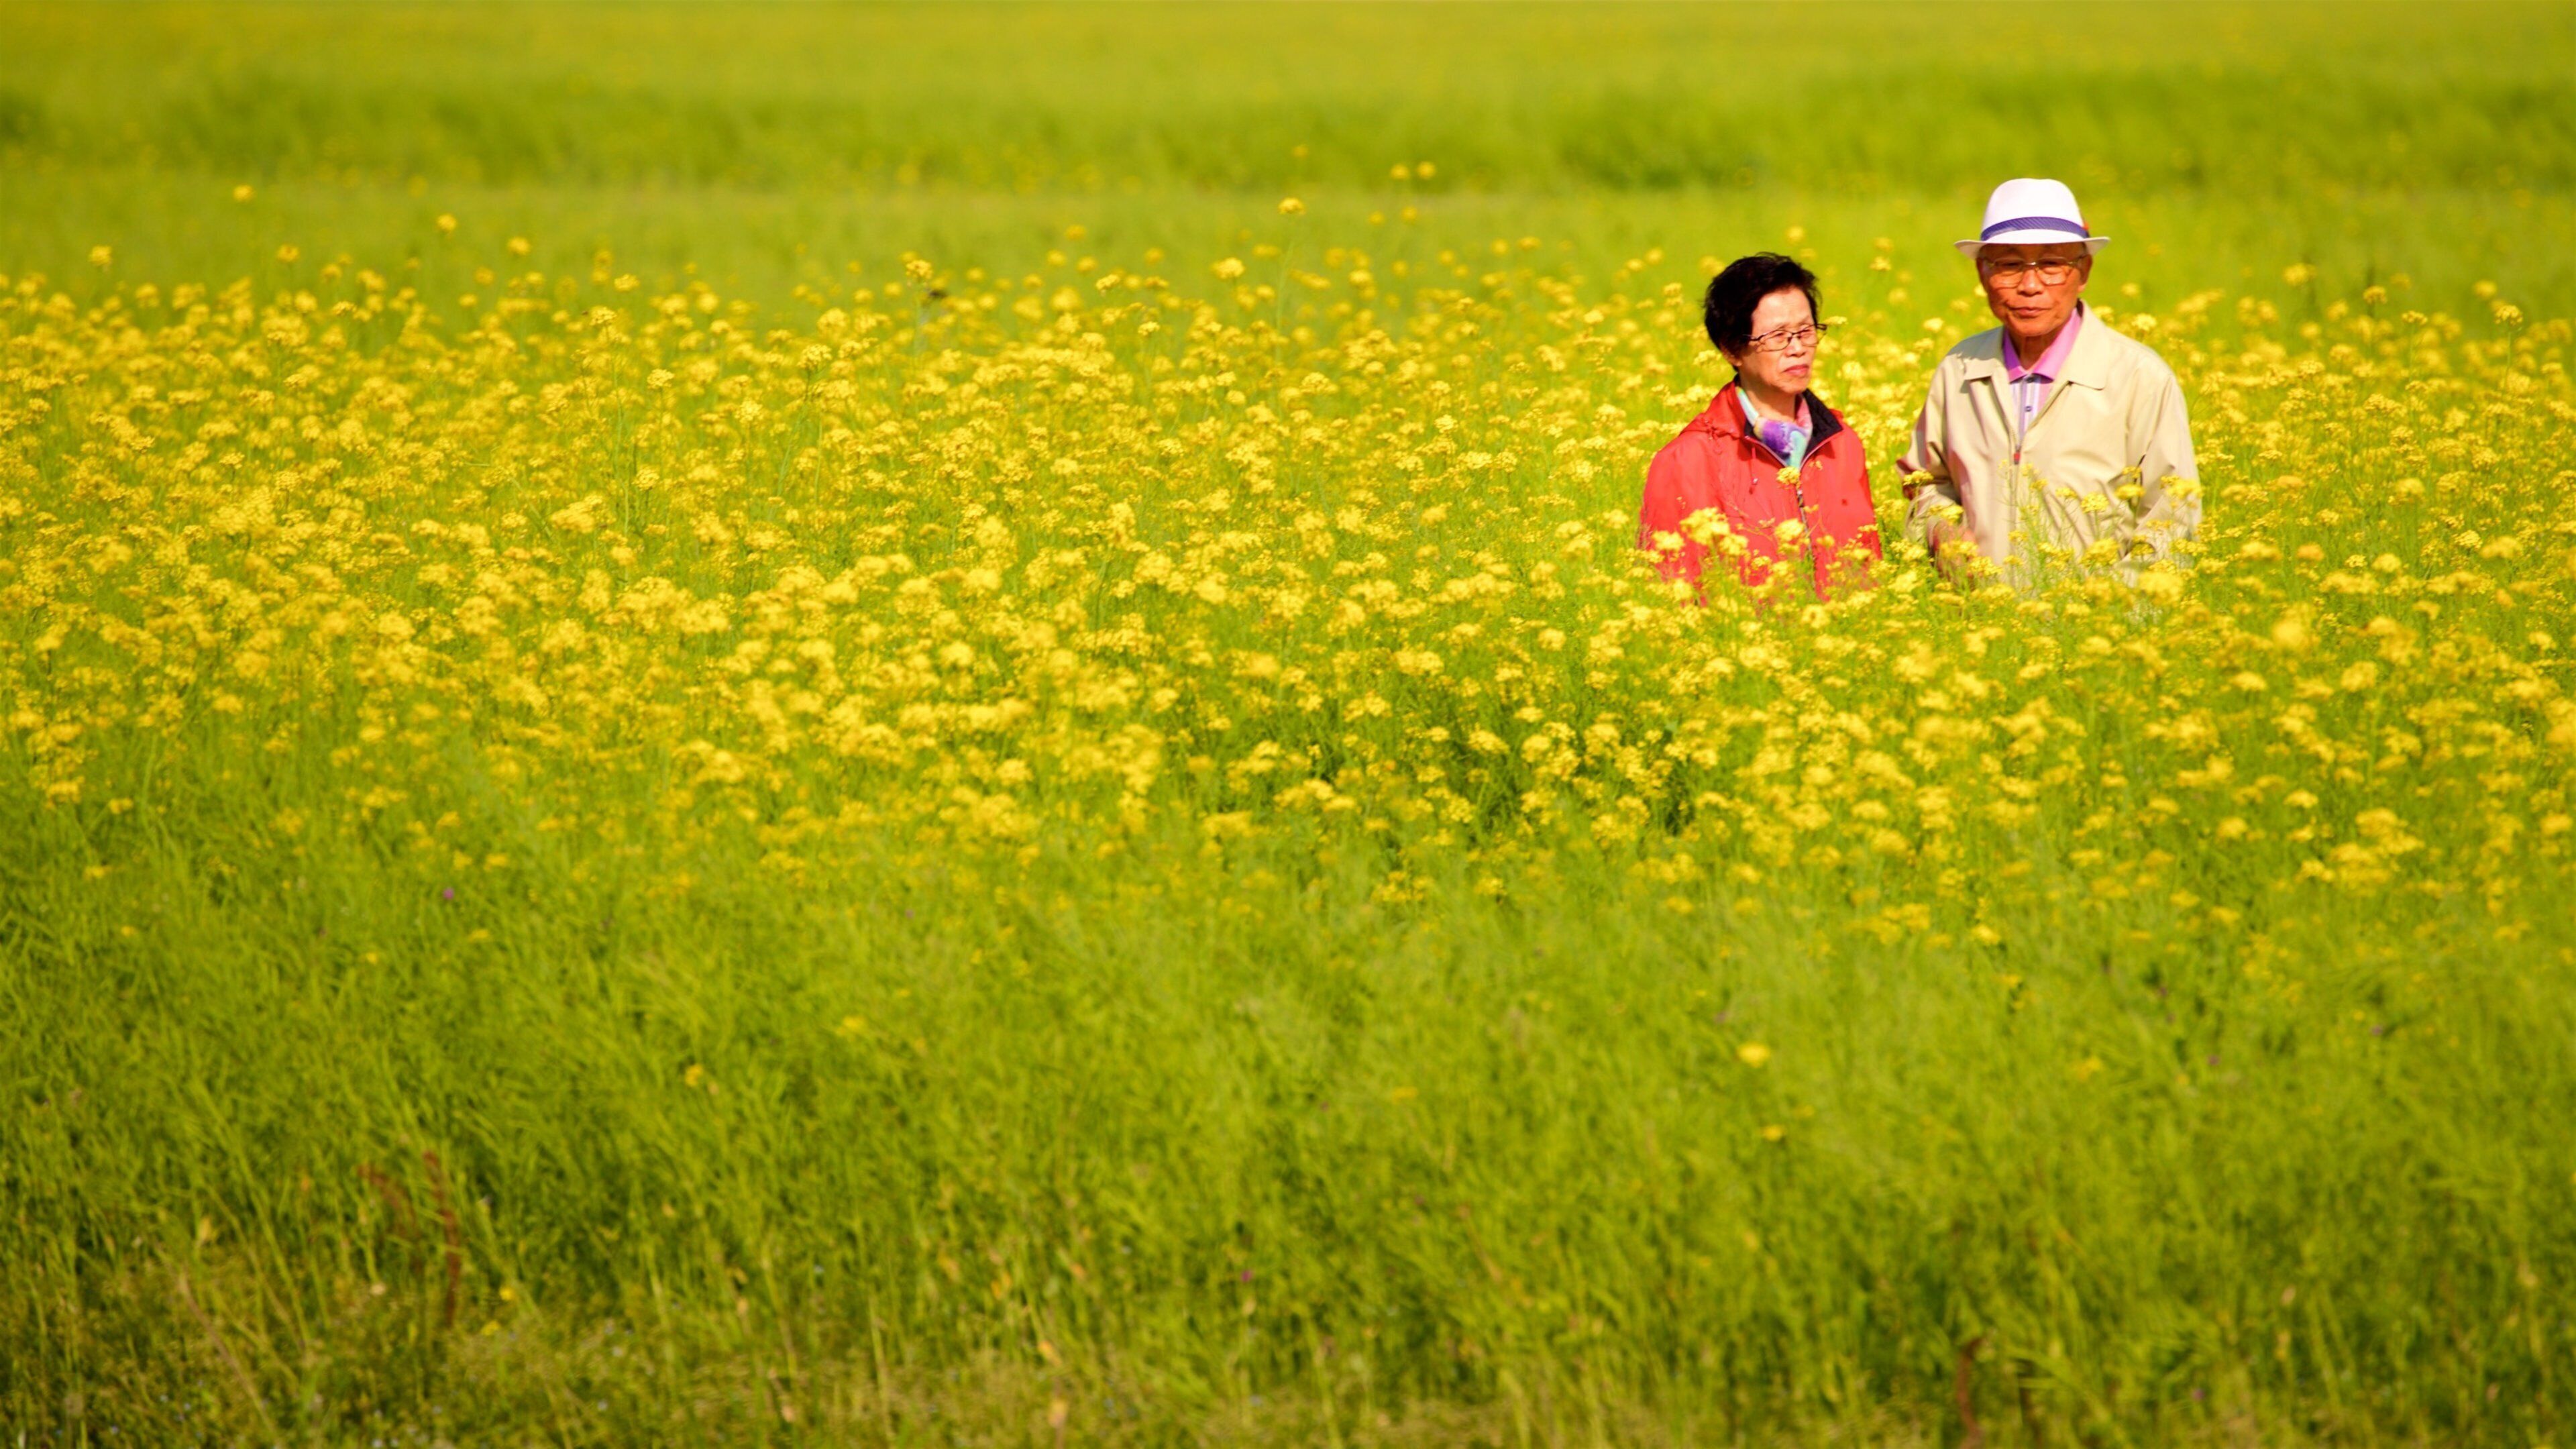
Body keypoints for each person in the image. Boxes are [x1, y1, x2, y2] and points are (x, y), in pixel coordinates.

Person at [1898, 178, 2198, 586]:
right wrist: (1941, 533)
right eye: (2009, 265)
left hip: (2098, 629)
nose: (2030, 285)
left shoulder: (2138, 377)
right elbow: (1926, 482)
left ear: (2084, 271)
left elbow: (2171, 518)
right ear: (1983, 273)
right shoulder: (1960, 369)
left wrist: (2115, 617)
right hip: (1978, 626)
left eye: (2052, 265)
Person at [1638, 253, 1882, 600]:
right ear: (1732, 351)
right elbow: (1671, 603)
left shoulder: (1842, 445)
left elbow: (1868, 574)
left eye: (1806, 331)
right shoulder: (1687, 461)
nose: (1797, 349)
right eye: (1778, 336)